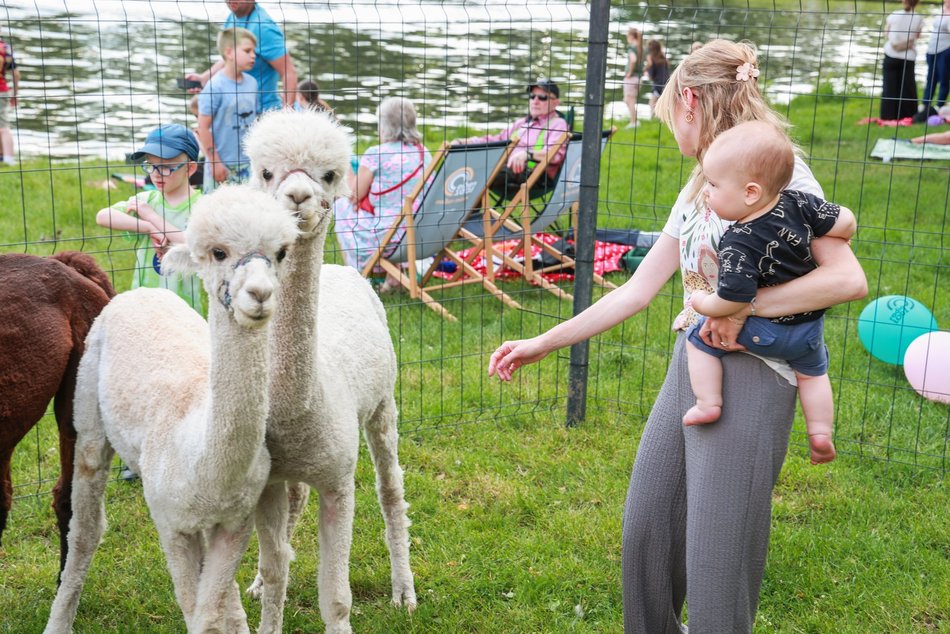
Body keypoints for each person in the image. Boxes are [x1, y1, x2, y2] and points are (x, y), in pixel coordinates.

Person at [487, 40, 867, 633]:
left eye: (669, 115)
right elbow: (637, 290)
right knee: (647, 532)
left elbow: (847, 278)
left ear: (688, 100)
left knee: (718, 562)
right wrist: (543, 342)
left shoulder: (778, 176)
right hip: (693, 362)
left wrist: (741, 309)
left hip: (757, 372)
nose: (672, 129)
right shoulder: (704, 183)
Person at [683, 120, 857, 467]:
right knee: (813, 374)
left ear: (750, 192)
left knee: (696, 339)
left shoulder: (737, 240)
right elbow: (847, 222)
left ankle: (708, 403)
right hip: (808, 328)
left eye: (714, 185)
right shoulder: (800, 203)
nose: (707, 192)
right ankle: (820, 433)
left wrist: (703, 303)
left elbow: (734, 300)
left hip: (766, 330)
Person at [96, 124, 204, 314]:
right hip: (144, 303)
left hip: (184, 309)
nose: (155, 174)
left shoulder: (202, 207)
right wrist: (147, 226)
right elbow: (103, 216)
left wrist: (152, 216)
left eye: (166, 167)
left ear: (189, 168)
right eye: (150, 166)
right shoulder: (146, 200)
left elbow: (195, 244)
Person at [333, 96, 432, 282]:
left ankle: (353, 278)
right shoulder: (423, 152)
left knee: (340, 207)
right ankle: (393, 278)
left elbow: (352, 195)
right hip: (420, 233)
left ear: (385, 125)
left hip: (387, 237)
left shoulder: (376, 154)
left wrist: (345, 163)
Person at [456, 79, 569, 202]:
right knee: (468, 167)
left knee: (480, 172)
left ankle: (469, 216)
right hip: (508, 171)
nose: (535, 101)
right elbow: (497, 140)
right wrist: (467, 142)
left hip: (535, 176)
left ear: (555, 103)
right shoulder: (522, 123)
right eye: (532, 96)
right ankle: (472, 217)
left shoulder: (558, 124)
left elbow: (555, 155)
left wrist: (528, 154)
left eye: (542, 97)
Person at [187, 0, 298, 111]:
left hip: (263, 112)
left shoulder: (264, 27)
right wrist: (204, 78)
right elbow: (228, 58)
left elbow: (288, 72)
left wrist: (287, 110)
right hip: (236, 108)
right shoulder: (232, 17)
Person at [197, 27, 259, 193]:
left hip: (249, 162)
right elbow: (202, 127)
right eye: (247, 50)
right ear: (229, 53)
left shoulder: (252, 83)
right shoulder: (215, 86)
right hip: (222, 163)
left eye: (254, 51)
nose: (253, 55)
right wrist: (215, 162)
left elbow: (256, 119)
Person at [881, 0, 923, 121]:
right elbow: (917, 36)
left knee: (889, 87)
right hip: (908, 56)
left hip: (891, 54)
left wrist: (896, 43)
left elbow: (886, 33)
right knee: (907, 88)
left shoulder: (894, 15)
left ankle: (888, 116)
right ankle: (908, 115)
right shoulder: (918, 18)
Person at [915, 0, 950, 122]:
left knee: (944, 79)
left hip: (945, 50)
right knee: (931, 78)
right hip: (932, 50)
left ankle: (939, 106)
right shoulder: (941, 11)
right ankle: (925, 104)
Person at [0, 35, 20, 166]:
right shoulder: (5, 47)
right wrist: (15, 93)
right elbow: (16, 73)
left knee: (3, 127)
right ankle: (4, 158)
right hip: (2, 90)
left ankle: (8, 160)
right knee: (2, 125)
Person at [623, 27, 643, 129]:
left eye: (627, 36)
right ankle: (635, 120)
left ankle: (633, 122)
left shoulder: (632, 47)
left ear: (631, 36)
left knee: (629, 100)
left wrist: (629, 73)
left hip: (631, 78)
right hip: (638, 78)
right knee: (630, 100)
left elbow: (633, 60)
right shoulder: (639, 47)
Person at [643, 39, 671, 115]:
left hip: (657, 85)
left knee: (652, 103)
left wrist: (648, 66)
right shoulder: (663, 59)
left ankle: (653, 119)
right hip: (667, 84)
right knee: (661, 104)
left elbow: (651, 77)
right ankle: (659, 118)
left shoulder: (652, 60)